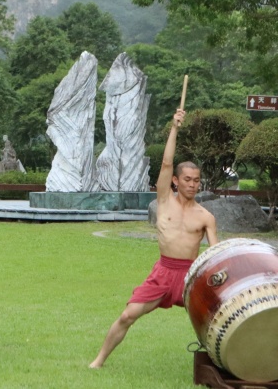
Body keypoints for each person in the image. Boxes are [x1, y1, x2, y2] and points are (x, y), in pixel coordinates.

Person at [89, 108, 218, 368]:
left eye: (196, 181)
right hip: (163, 271)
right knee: (128, 315)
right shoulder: (163, 200)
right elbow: (167, 163)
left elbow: (216, 253)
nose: (192, 185)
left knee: (218, 322)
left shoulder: (206, 217)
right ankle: (99, 361)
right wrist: (175, 127)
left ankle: (230, 364)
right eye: (187, 180)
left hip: (190, 275)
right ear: (175, 181)